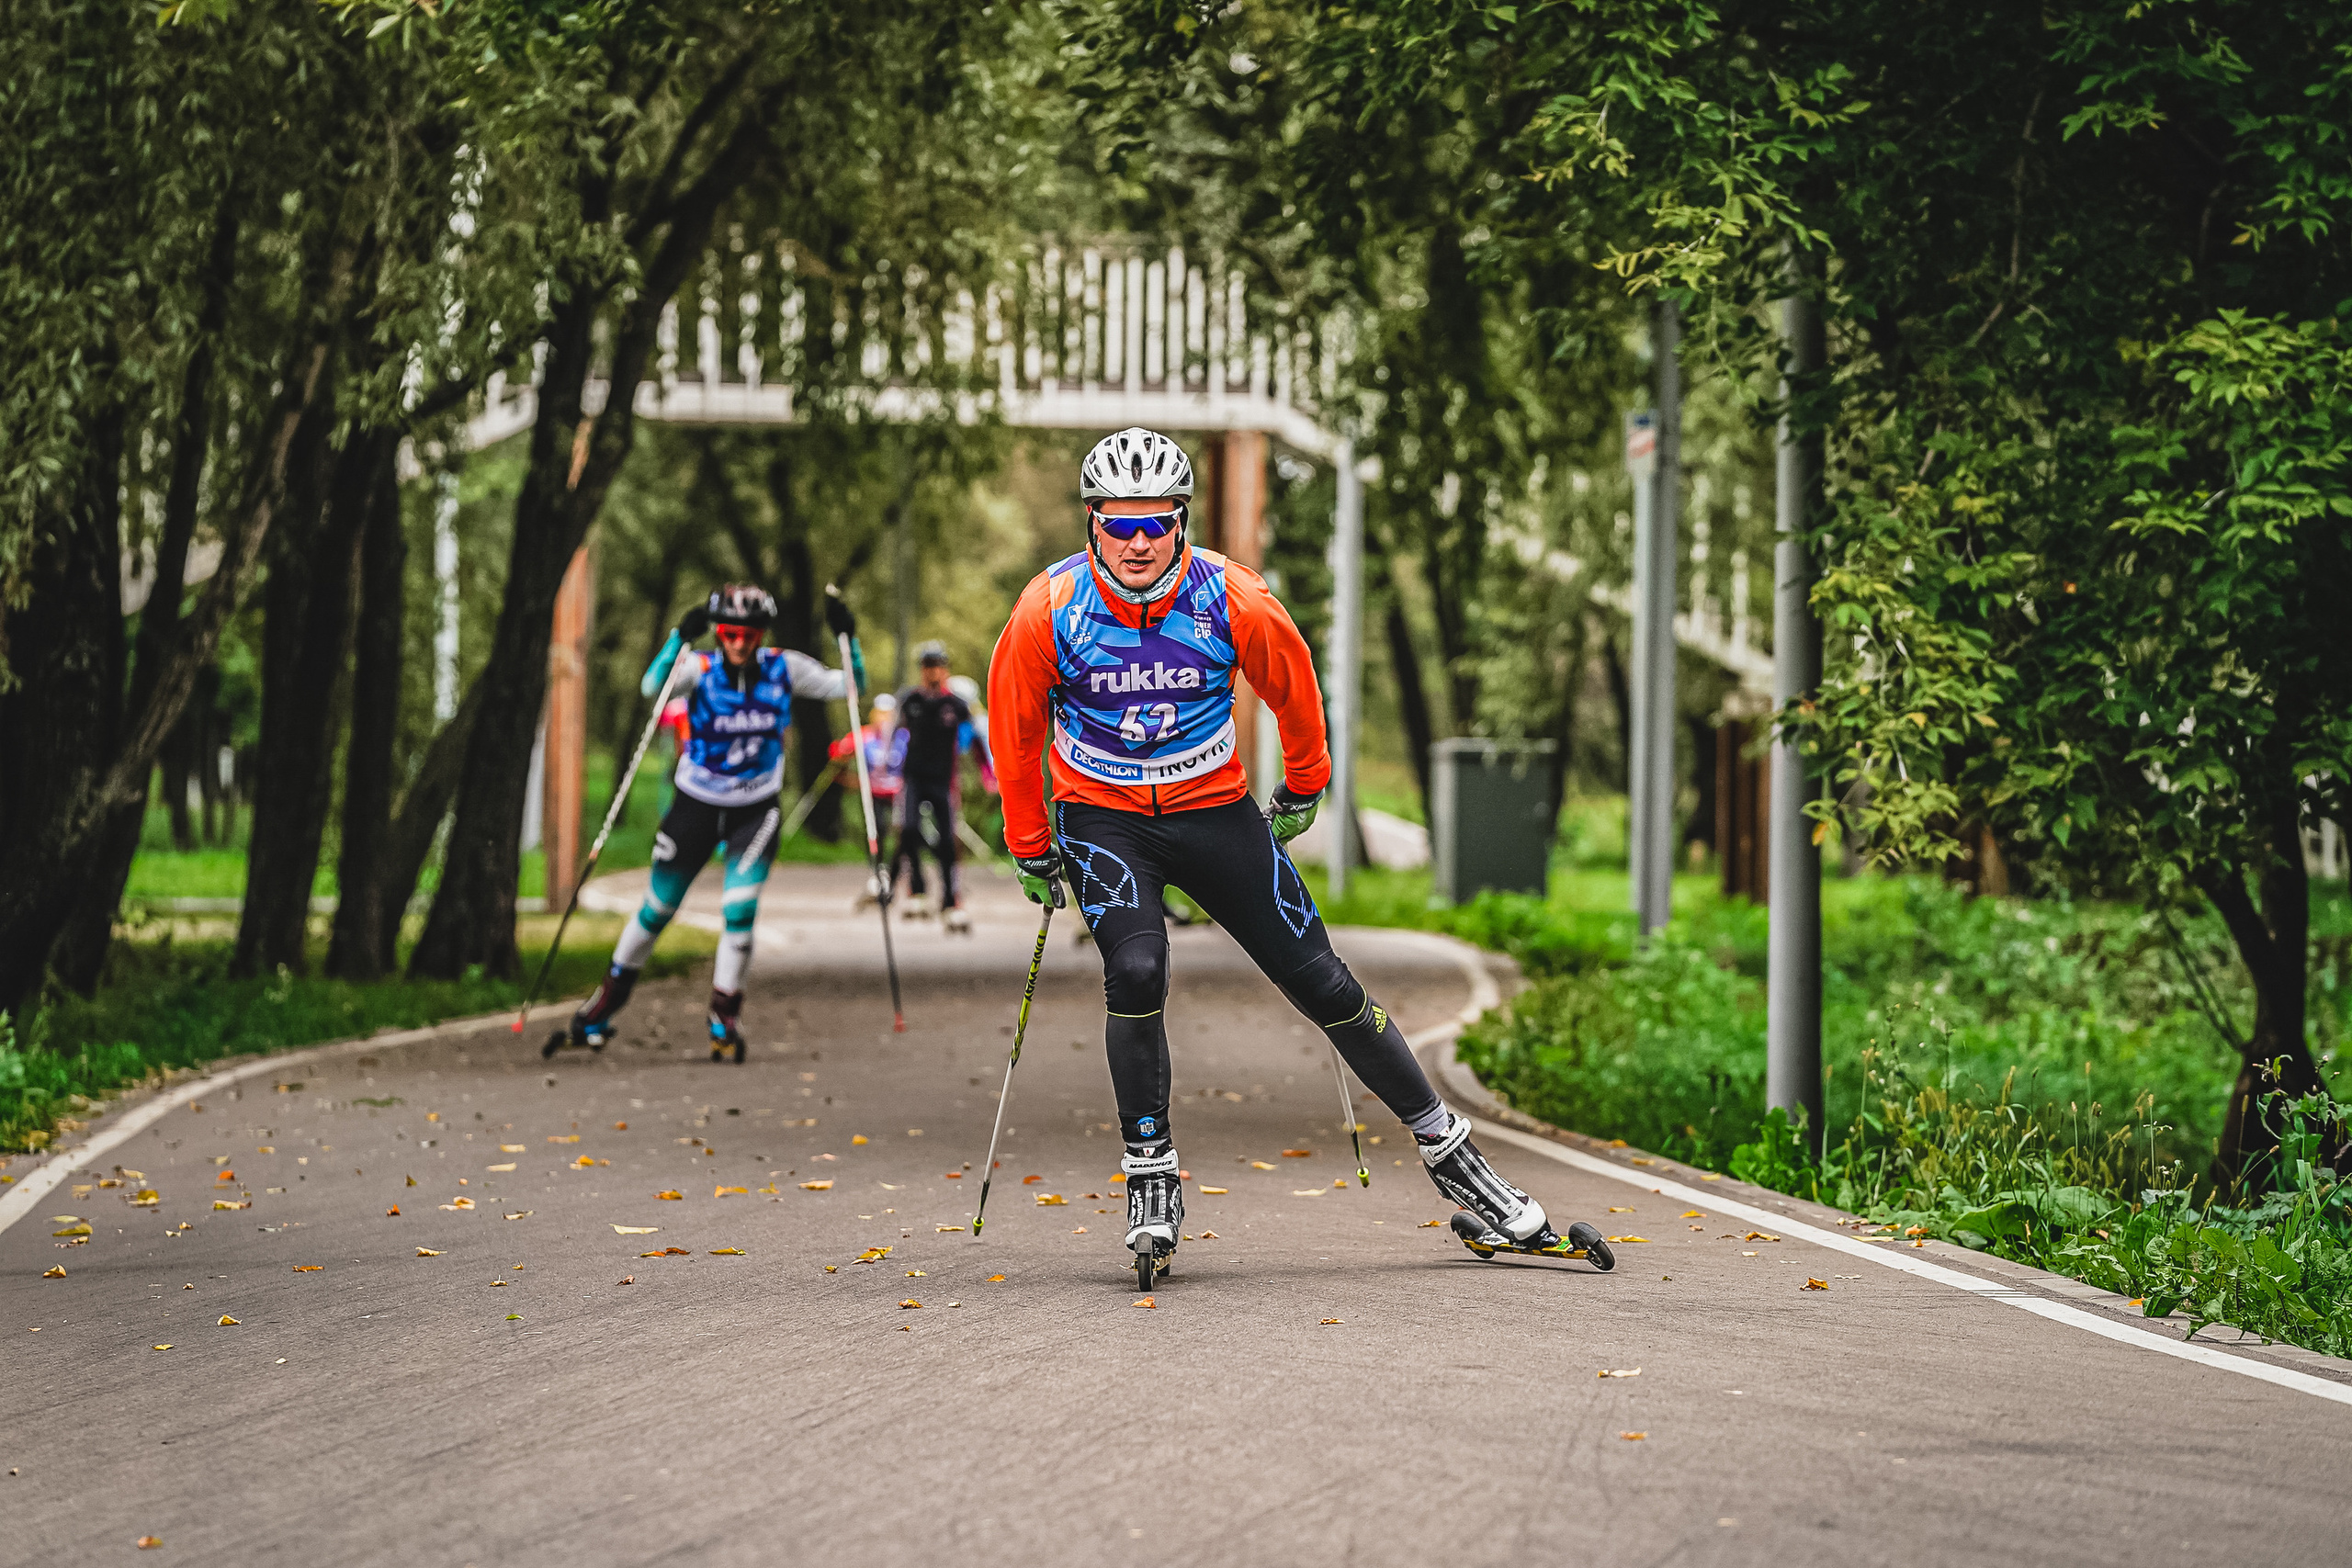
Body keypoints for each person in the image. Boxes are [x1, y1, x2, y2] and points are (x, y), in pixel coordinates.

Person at [986, 427, 1560, 1280]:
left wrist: (1304, 785)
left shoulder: (1233, 598)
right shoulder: (1049, 608)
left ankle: (1455, 1154)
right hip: (1103, 817)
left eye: (1156, 522)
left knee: (1323, 980)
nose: (1138, 542)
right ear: (1092, 524)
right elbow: (1015, 726)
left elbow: (1295, 689)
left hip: (1213, 809)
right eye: (1120, 523)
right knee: (1136, 971)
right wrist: (1030, 842)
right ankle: (1151, 1174)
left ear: (1182, 521)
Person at [568, 585, 864, 1063]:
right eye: (729, 633)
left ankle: (724, 1016)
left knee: (740, 910)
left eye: (749, 634)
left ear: (761, 634)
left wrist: (848, 638)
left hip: (756, 807)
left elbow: (847, 687)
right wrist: (678, 639)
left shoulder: (784, 668)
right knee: (657, 910)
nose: (739, 643)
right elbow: (653, 688)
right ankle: (602, 1008)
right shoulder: (699, 669)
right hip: (696, 805)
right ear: (718, 634)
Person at [889, 641, 992, 931]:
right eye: (927, 666)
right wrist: (888, 765)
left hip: (943, 780)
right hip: (913, 777)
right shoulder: (910, 699)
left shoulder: (957, 704)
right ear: (922, 670)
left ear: (945, 669)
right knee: (908, 831)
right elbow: (893, 733)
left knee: (947, 840)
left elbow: (979, 738)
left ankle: (950, 900)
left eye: (937, 665)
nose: (932, 671)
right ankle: (917, 890)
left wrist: (989, 773)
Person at [832, 693, 902, 907]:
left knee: (903, 834)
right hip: (874, 793)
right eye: (880, 713)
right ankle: (877, 872)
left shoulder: (903, 736)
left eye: (888, 714)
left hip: (899, 794)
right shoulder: (864, 735)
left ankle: (894, 874)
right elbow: (837, 755)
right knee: (877, 830)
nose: (884, 718)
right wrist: (849, 779)